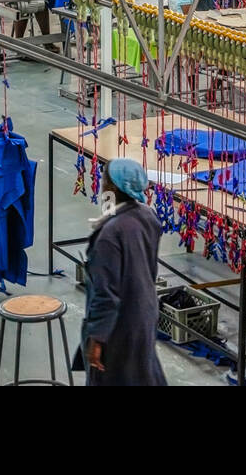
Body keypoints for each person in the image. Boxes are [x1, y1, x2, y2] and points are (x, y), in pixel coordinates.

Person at [76, 158, 167, 386]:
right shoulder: (147, 216)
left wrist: (97, 337)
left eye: (104, 180)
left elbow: (105, 293)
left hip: (119, 325)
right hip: (144, 313)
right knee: (143, 374)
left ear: (112, 188)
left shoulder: (109, 235)